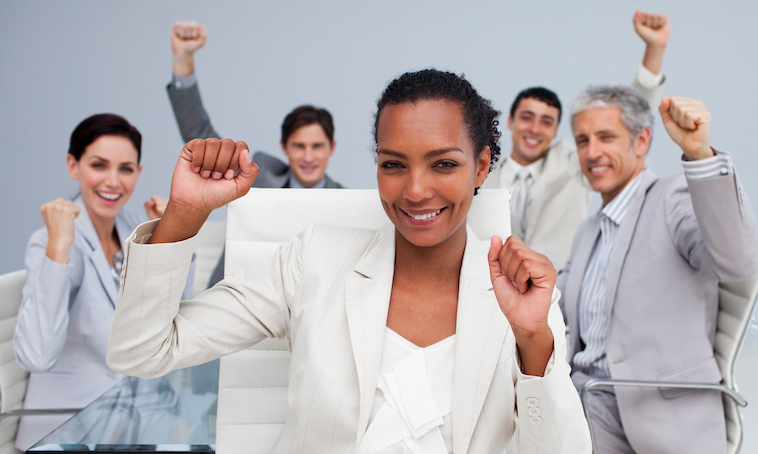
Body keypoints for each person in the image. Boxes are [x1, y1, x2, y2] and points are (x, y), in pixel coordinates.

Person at [106, 69, 590, 452]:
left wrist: (533, 341)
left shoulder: (524, 297)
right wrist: (184, 214)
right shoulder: (314, 261)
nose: (415, 190)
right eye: (393, 164)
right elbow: (141, 351)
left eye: (443, 163)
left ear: (481, 166)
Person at [558, 86, 758, 453]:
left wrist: (699, 155)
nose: (592, 152)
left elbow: (736, 262)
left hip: (665, 417)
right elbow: (556, 304)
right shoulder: (587, 231)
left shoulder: (673, 197)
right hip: (588, 407)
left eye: (606, 137)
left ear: (641, 141)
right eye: (582, 140)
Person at [13, 114, 195, 450]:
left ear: (138, 173)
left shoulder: (134, 226)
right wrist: (59, 246)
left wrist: (175, 237)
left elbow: (175, 318)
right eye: (99, 165)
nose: (113, 182)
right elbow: (37, 356)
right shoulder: (49, 241)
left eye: (125, 169)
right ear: (73, 165)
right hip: (66, 431)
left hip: (132, 423)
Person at [482, 10, 670, 270]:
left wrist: (654, 49)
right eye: (527, 117)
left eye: (546, 122)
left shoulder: (574, 162)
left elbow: (629, 115)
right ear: (510, 121)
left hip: (560, 289)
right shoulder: (482, 175)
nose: (535, 129)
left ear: (556, 131)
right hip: (491, 289)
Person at [169, 21, 344, 288]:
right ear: (284, 147)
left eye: (317, 146)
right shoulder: (258, 177)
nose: (308, 156)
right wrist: (183, 60)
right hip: (233, 298)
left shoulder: (344, 203)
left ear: (332, 148)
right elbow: (199, 135)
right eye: (299, 146)